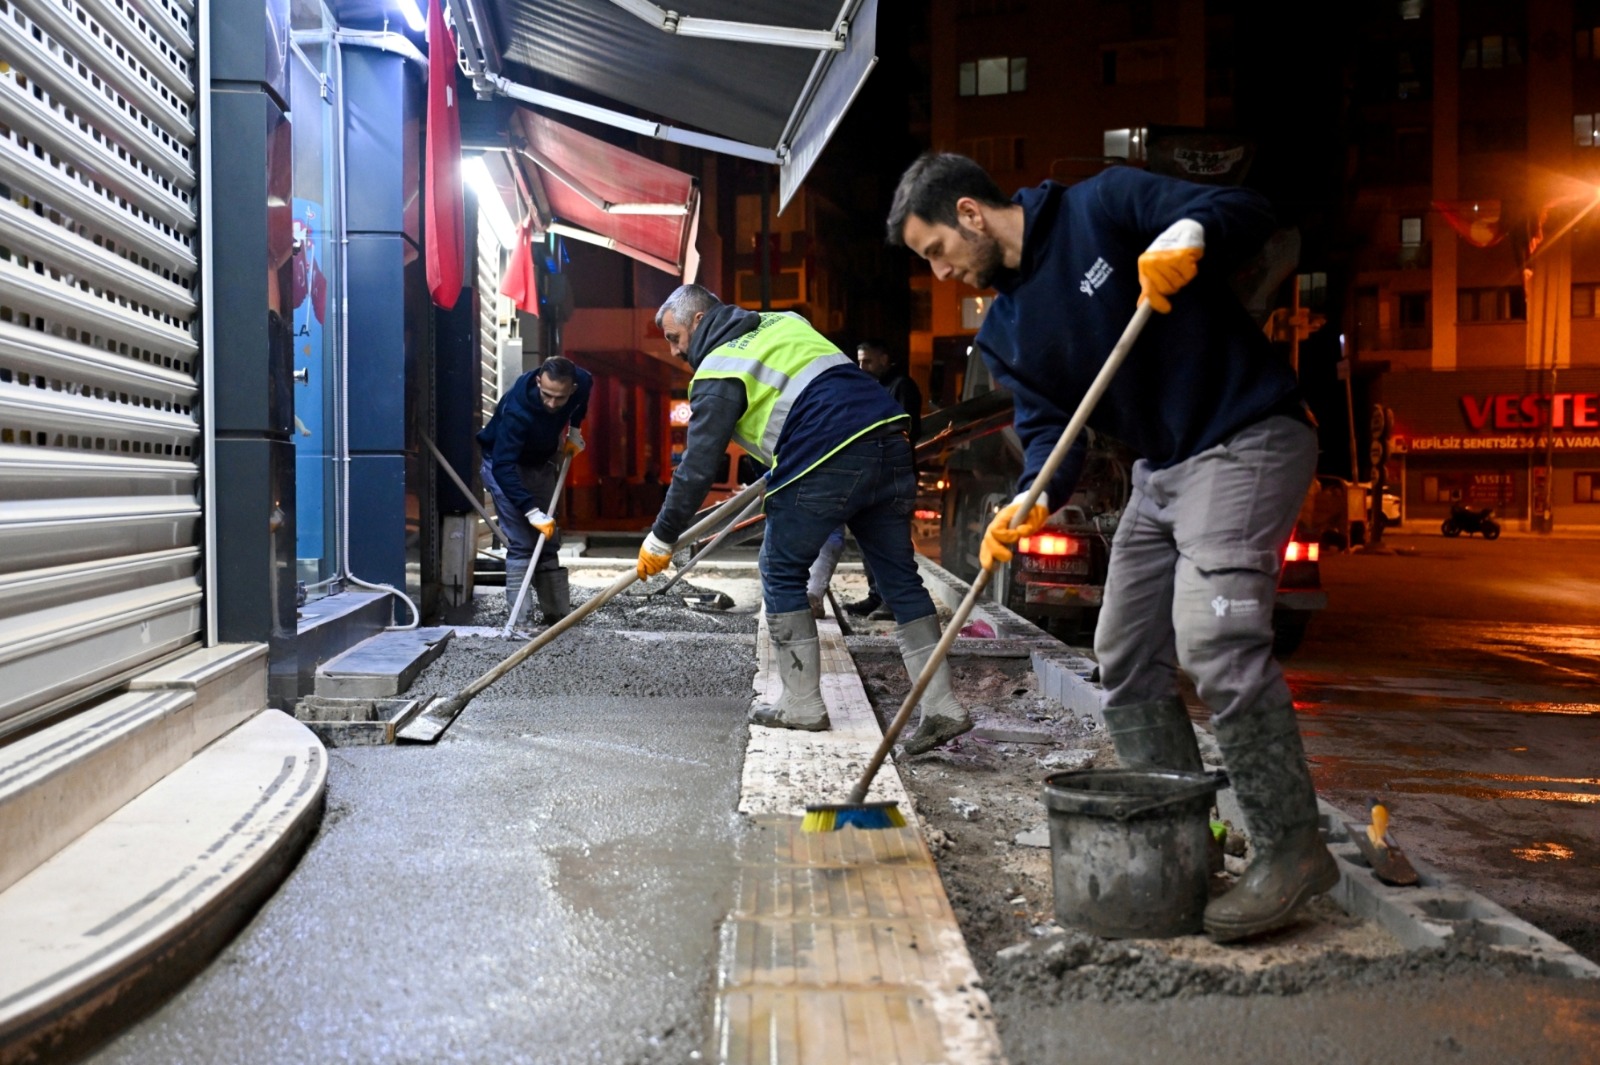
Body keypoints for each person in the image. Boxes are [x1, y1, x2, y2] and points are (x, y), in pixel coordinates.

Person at [887, 152, 1334, 942]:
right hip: (1162, 470)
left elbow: (1251, 210)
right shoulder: (1008, 330)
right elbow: (1047, 436)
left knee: (1216, 639)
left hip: (1246, 433)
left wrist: (1191, 231)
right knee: (1123, 651)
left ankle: (1292, 846)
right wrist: (1028, 498)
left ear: (968, 213)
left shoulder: (1103, 208)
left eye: (936, 252)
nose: (942, 272)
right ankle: (1190, 839)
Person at [638, 284, 972, 754]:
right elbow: (794, 404)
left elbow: (697, 466)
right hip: (890, 441)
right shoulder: (785, 322)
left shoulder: (718, 368)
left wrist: (661, 537)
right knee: (900, 579)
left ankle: (801, 703)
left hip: (827, 455)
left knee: (780, 570)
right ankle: (942, 706)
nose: (675, 351)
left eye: (674, 337)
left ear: (698, 321)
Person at [809, 341, 925, 620]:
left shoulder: (901, 386)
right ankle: (877, 596)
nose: (862, 368)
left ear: (885, 359)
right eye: (859, 361)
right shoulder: (870, 387)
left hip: (892, 475)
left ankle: (894, 602)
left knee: (889, 542)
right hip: (871, 473)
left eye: (868, 362)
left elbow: (905, 429)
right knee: (867, 539)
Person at [478, 356, 590, 627]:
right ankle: (520, 621)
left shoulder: (582, 382)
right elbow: (503, 468)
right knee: (523, 543)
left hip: (540, 464)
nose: (552, 404)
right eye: (547, 395)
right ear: (539, 381)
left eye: (560, 398)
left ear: (571, 389)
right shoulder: (518, 411)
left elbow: (584, 392)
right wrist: (530, 510)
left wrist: (574, 429)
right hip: (504, 466)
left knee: (549, 540)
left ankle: (559, 618)